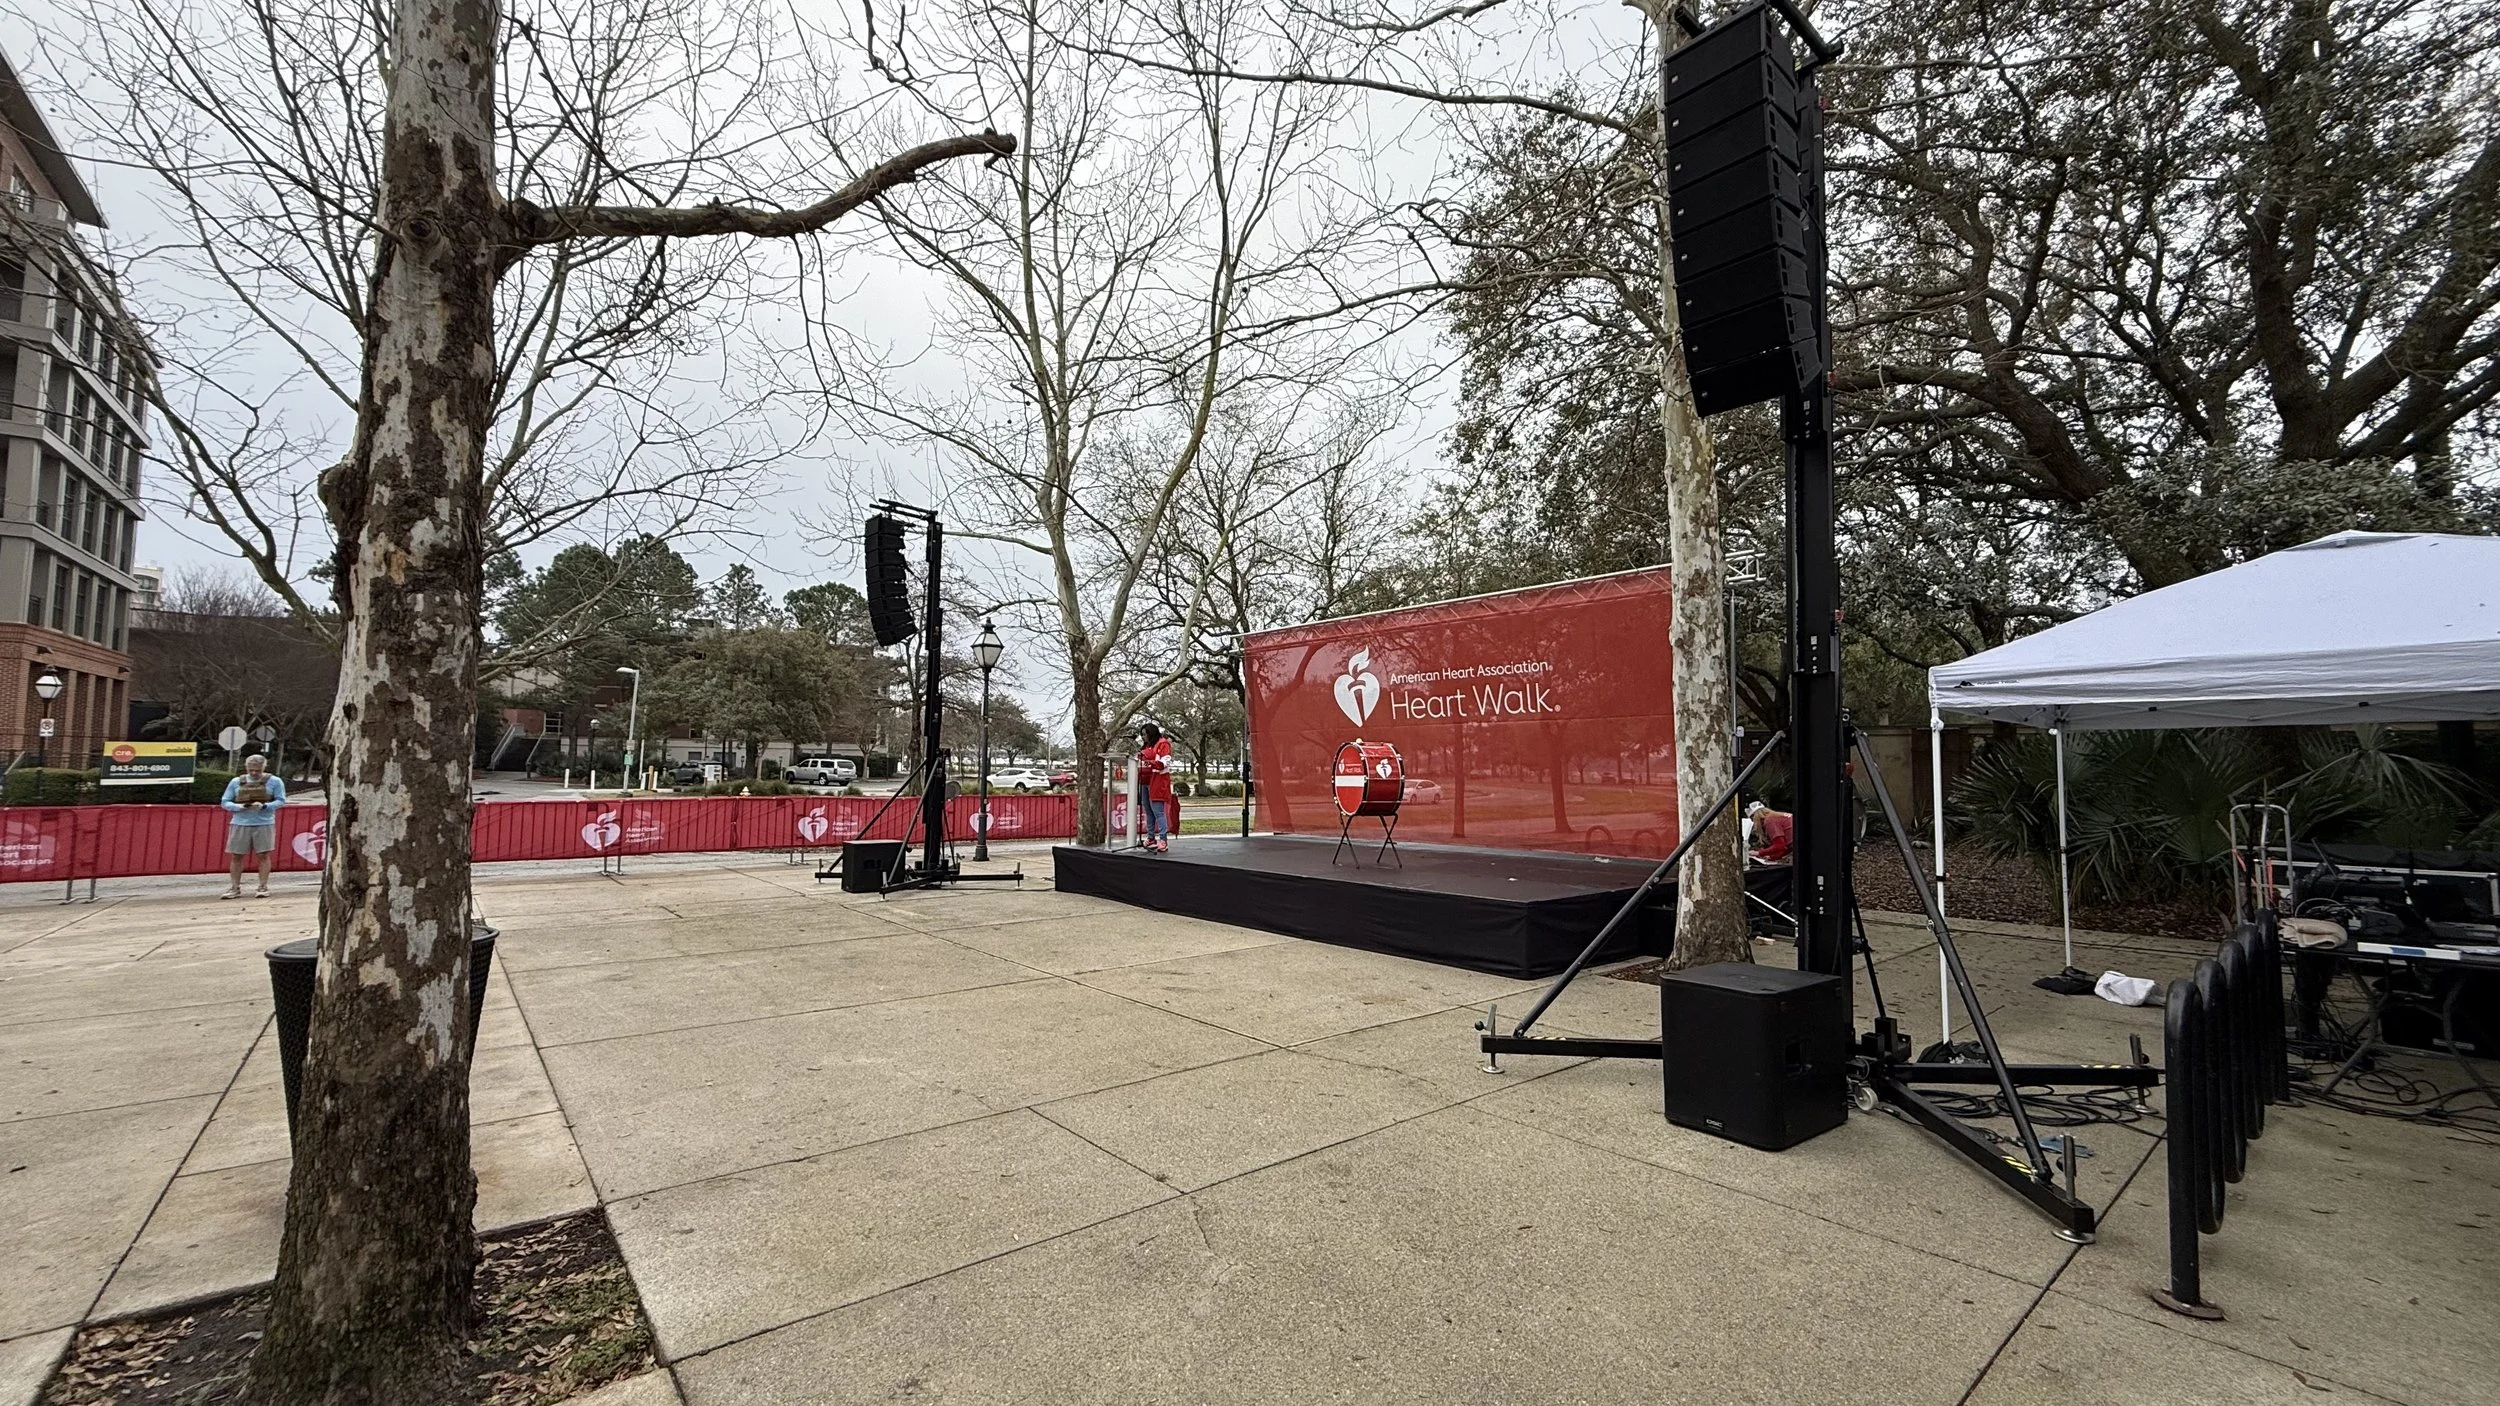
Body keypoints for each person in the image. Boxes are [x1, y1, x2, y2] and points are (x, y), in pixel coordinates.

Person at [221, 753, 288, 898]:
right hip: (240, 823)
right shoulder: (235, 782)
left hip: (264, 823)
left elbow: (281, 800)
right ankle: (234, 887)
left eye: (257, 770)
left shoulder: (275, 781)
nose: (254, 773)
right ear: (246, 767)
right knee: (237, 855)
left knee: (263, 854)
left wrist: (264, 806)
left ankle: (263, 886)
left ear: (264, 767)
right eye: (251, 770)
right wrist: (239, 807)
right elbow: (225, 801)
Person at [1135, 721, 1175, 854]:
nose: (1143, 737)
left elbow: (1164, 762)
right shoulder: (1146, 746)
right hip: (1145, 782)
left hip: (1157, 781)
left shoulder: (1163, 744)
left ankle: (1163, 839)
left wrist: (1149, 762)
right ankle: (1151, 838)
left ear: (1151, 734)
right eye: (1142, 735)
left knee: (1158, 811)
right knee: (1149, 811)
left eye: (1145, 734)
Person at [1744, 799, 1794, 864]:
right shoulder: (1777, 816)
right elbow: (1786, 847)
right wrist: (1772, 857)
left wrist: (1759, 853)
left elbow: (1780, 845)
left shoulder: (1769, 820)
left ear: (1755, 816)